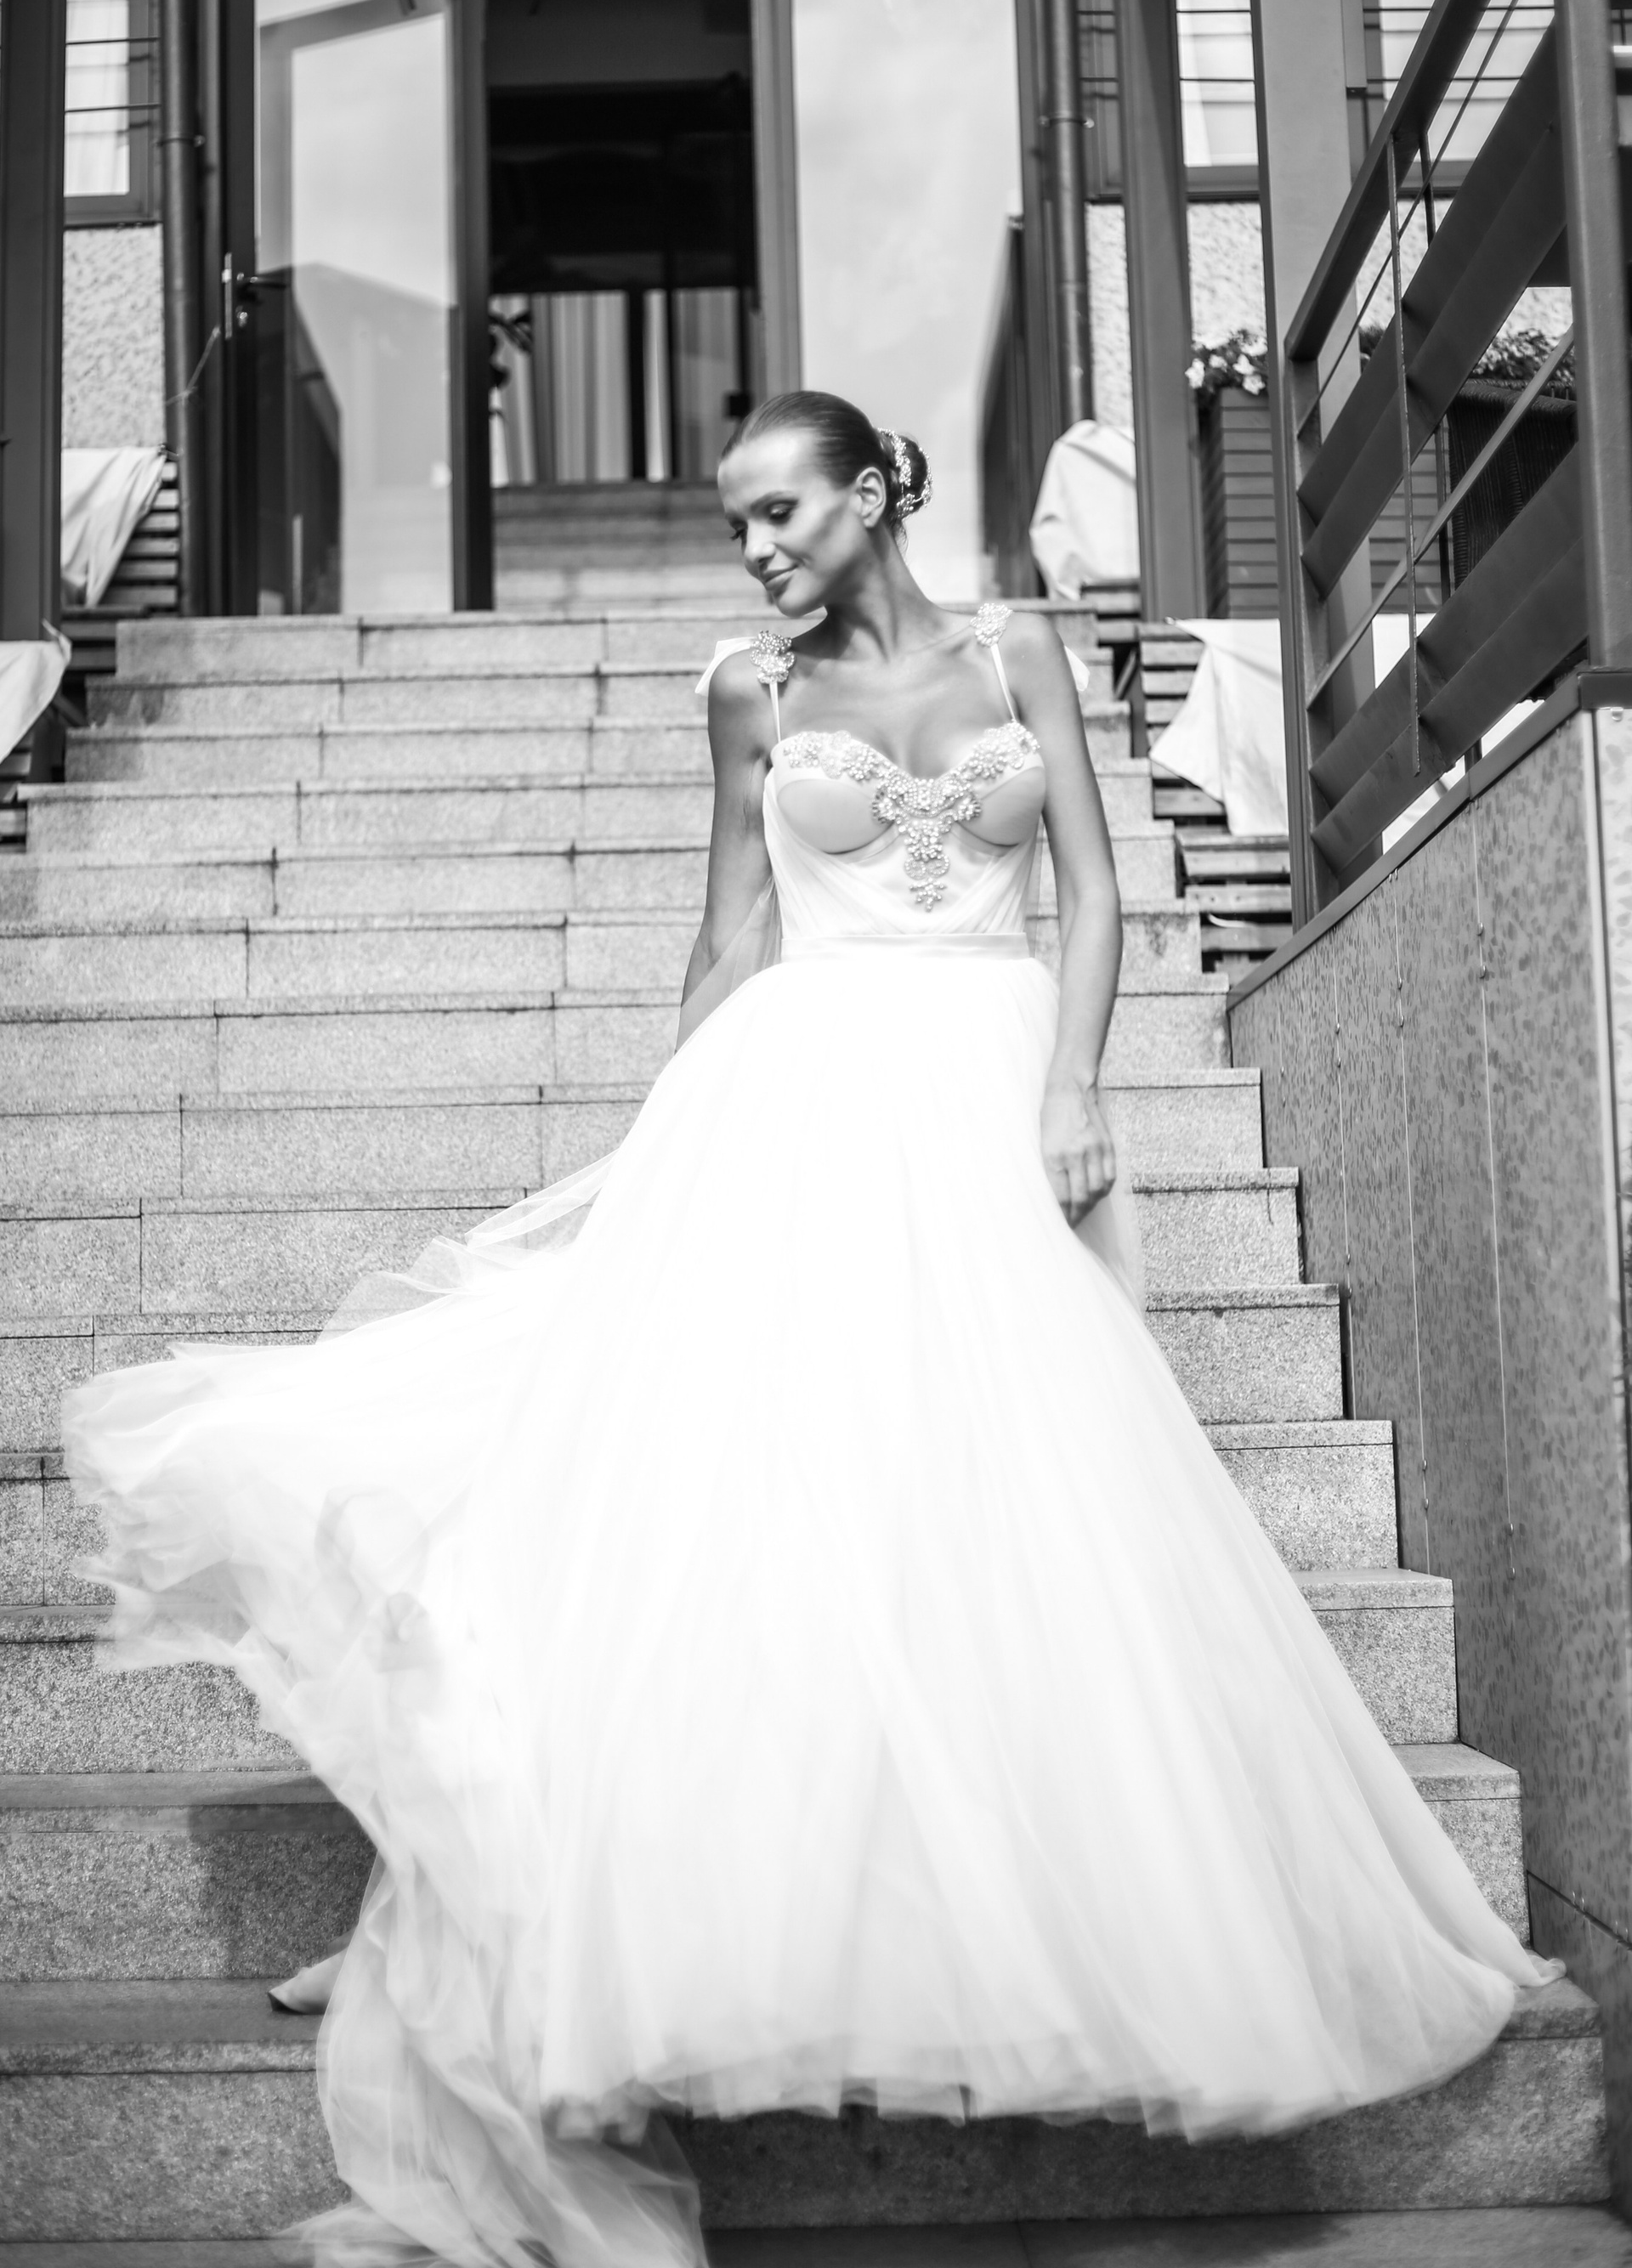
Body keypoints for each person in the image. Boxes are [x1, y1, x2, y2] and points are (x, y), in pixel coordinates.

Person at [64, 391, 1557, 2268]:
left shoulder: (1018, 649)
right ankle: (481, 1914)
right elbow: (730, 935)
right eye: (735, 524)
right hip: (795, 1100)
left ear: (872, 495)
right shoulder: (746, 693)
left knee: (988, 1527)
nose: (757, 548)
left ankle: (992, 1924)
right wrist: (656, 1164)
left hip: (994, 1090)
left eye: (779, 511)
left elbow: (1096, 890)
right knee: (719, 1522)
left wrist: (1076, 1088)